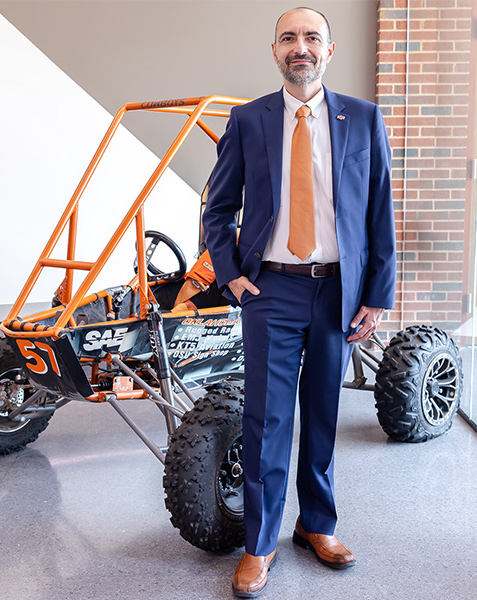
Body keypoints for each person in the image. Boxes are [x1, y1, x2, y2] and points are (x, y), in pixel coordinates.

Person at [202, 7, 396, 598]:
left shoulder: (362, 118)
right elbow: (217, 209)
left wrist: (378, 293)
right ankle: (260, 544)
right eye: (289, 38)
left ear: (329, 51)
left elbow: (379, 211)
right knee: (267, 418)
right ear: (275, 50)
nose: (300, 47)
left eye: (312, 37)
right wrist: (233, 278)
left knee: (323, 414)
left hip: (339, 290)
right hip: (272, 291)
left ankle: (318, 525)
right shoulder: (249, 119)